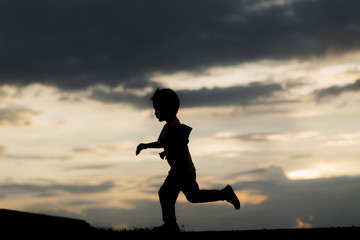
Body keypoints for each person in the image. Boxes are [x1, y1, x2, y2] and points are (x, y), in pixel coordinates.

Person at [136, 88, 240, 232]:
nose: (155, 113)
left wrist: (164, 150)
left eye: (157, 109)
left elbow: (179, 143)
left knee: (166, 193)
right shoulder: (168, 127)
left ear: (167, 109)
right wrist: (147, 146)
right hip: (181, 170)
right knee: (192, 196)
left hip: (182, 171)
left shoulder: (176, 128)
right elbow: (164, 143)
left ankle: (170, 225)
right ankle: (224, 193)